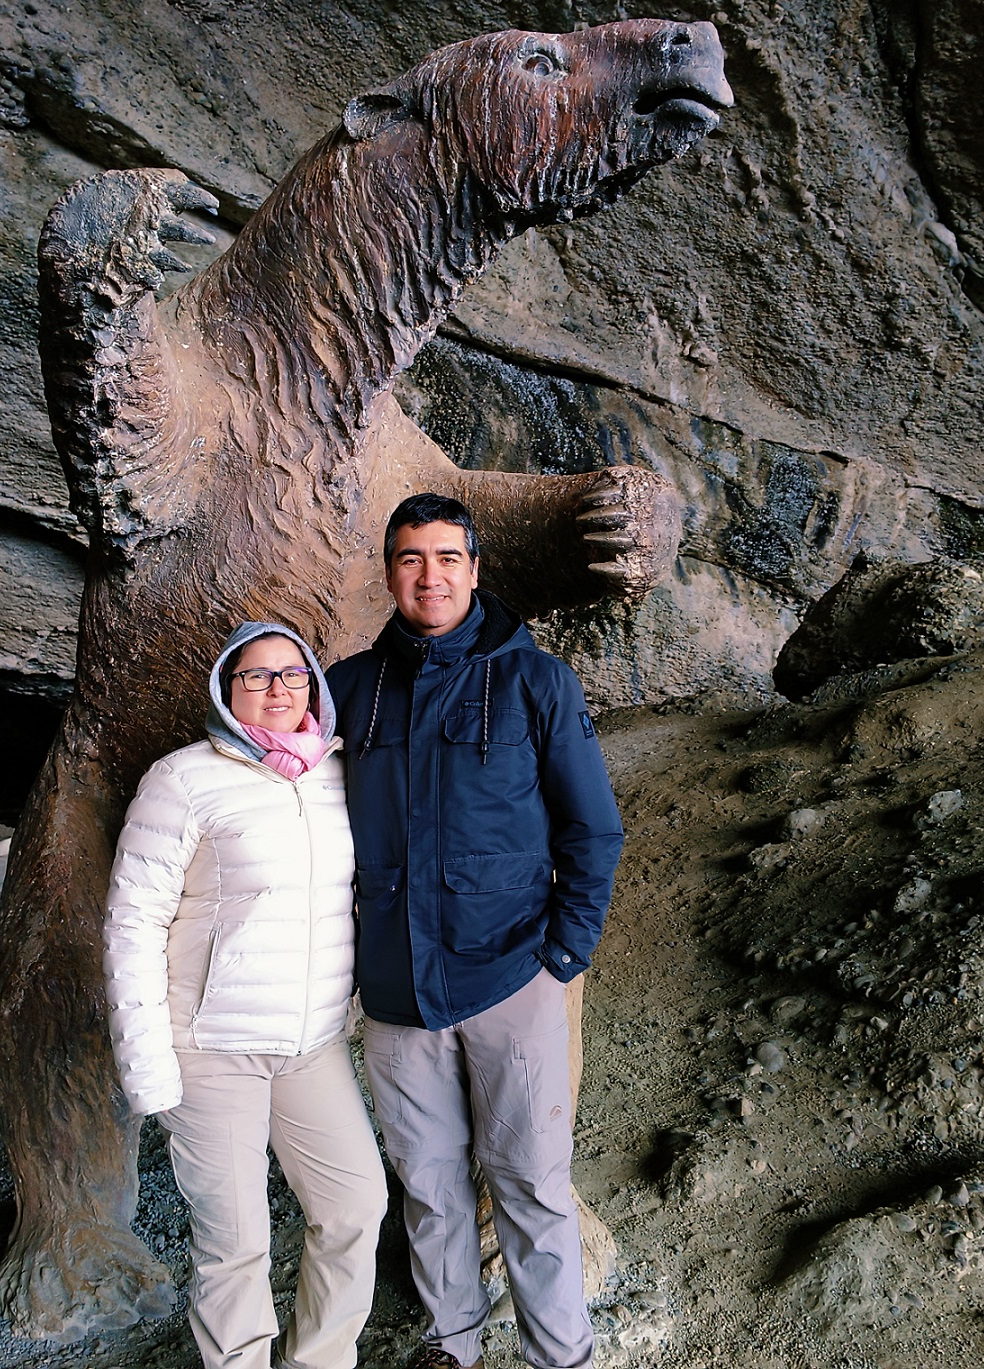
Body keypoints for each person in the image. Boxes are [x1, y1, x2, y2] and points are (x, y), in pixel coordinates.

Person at [326, 493, 624, 1369]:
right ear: (389, 573)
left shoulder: (535, 680)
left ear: (474, 569)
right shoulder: (349, 688)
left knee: (531, 1180)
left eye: (447, 558)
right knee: (427, 1182)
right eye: (412, 559)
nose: (430, 575)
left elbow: (593, 829)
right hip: (395, 989)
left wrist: (561, 956)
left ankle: (558, 1353)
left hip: (510, 976)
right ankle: (452, 1341)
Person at [103, 622, 387, 1369]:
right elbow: (132, 921)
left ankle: (319, 1359)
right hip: (210, 1046)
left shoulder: (336, 772)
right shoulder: (183, 778)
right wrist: (148, 1065)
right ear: (227, 690)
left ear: (313, 688)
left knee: (356, 1205)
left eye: (291, 675)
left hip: (312, 1044)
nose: (276, 691)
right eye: (256, 677)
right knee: (235, 1243)